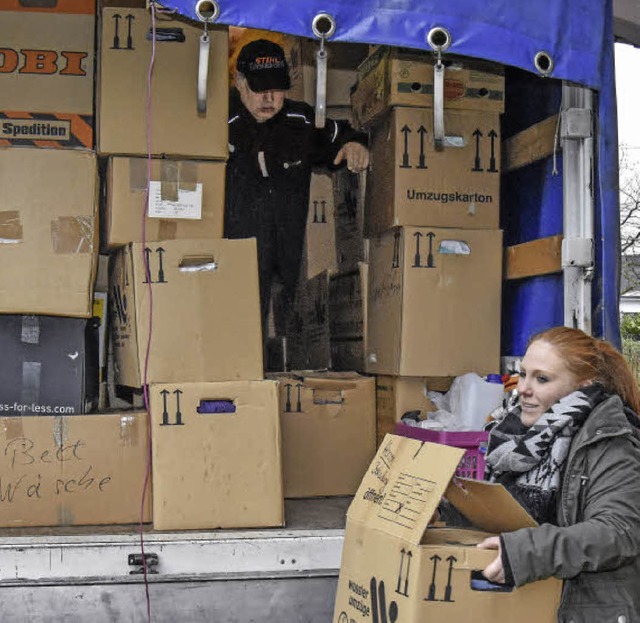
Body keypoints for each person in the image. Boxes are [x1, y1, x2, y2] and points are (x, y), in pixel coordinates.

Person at [476, 326, 640, 622]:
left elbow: (618, 532)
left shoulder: (609, 441)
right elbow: (507, 514)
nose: (523, 388)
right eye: (523, 373)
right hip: (532, 603)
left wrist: (526, 552)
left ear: (583, 385)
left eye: (542, 379)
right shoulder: (511, 436)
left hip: (589, 610)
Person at [224, 38, 369, 341]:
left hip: (288, 262)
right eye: (259, 88)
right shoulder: (217, 120)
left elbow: (341, 134)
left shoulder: (300, 120)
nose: (269, 98)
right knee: (237, 336)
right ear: (239, 83)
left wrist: (354, 144)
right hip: (232, 262)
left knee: (281, 344)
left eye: (277, 88)